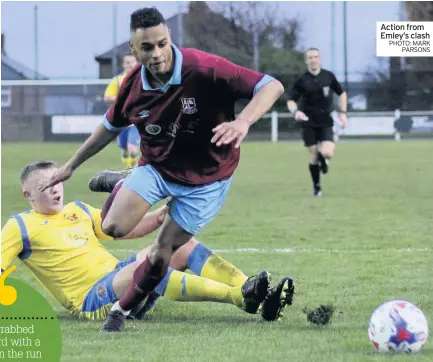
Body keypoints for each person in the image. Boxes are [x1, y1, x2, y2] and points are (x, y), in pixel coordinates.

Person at [38, 7, 285, 332]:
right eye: (147, 47)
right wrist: (72, 164)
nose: (156, 54)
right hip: (157, 168)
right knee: (113, 227)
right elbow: (109, 126)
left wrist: (243, 121)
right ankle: (123, 184)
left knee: (163, 252)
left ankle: (121, 314)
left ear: (170, 40)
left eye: (162, 44)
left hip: (207, 180)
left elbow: (271, 86)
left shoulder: (204, 68)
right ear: (133, 49)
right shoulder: (131, 86)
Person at [1, 161, 294, 327]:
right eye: (46, 187)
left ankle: (255, 290)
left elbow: (121, 231)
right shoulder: (20, 226)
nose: (55, 191)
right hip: (92, 298)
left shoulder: (76, 209)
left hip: (121, 275)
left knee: (182, 244)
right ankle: (240, 298)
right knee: (152, 264)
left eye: (58, 182)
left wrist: (158, 217)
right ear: (28, 194)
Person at [287, 48, 348, 197]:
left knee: (327, 152)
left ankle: (324, 161)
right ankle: (317, 187)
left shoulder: (328, 76)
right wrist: (296, 112)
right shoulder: (302, 80)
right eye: (310, 57)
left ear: (320, 59)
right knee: (314, 157)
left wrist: (343, 113)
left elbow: (342, 93)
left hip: (325, 121)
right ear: (306, 60)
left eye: (315, 57)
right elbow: (291, 101)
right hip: (308, 122)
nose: (313, 60)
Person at [104, 53, 141, 168]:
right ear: (123, 65)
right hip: (121, 120)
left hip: (135, 120)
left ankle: (133, 170)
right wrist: (121, 98)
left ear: (137, 63)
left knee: (132, 148)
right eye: (127, 62)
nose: (130, 65)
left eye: (132, 62)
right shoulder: (118, 80)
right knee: (125, 150)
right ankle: (127, 168)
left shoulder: (141, 78)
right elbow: (107, 97)